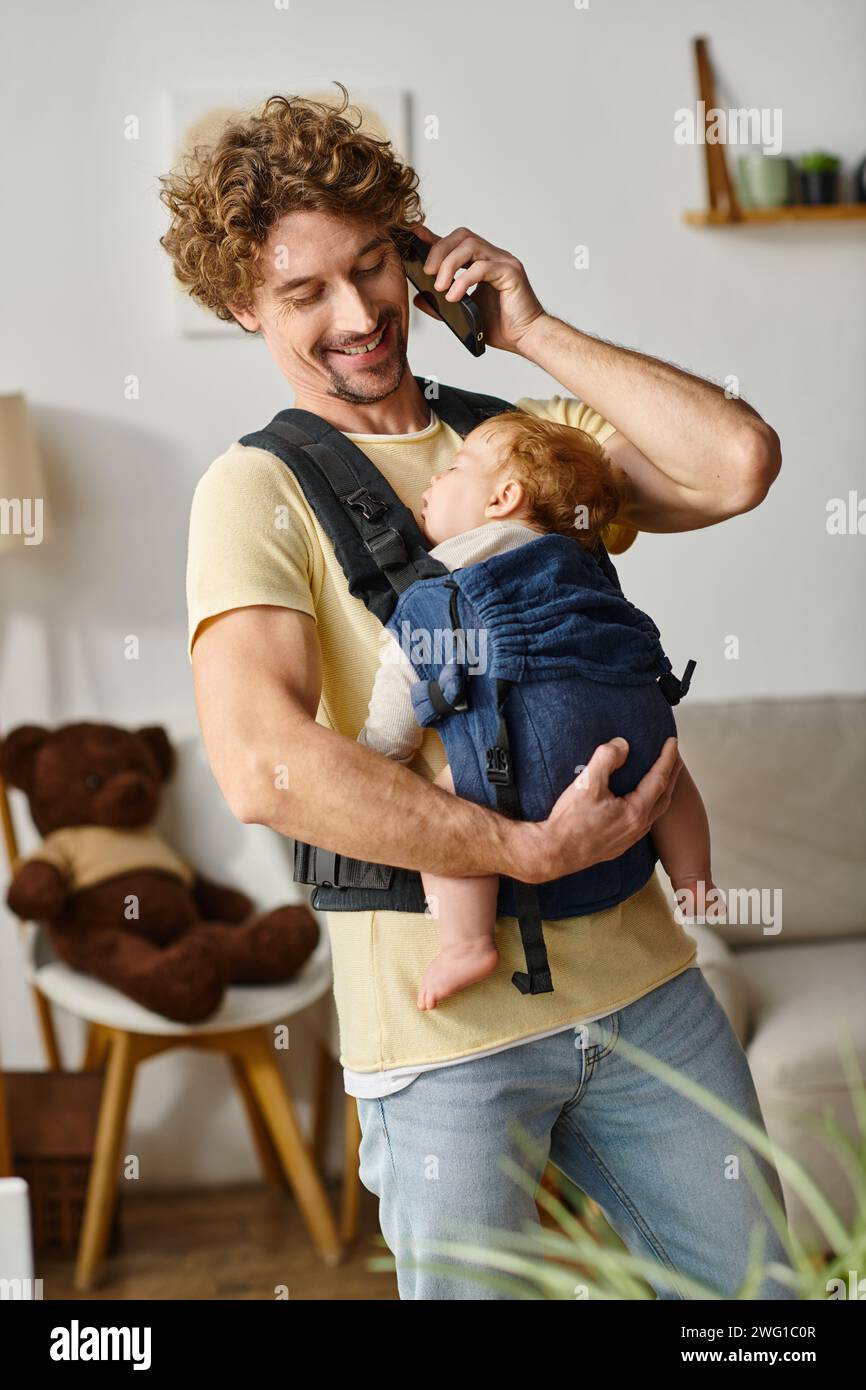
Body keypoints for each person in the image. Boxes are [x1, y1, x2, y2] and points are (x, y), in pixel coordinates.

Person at [163, 85, 793, 1299]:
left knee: (762, 1308)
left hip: (649, 994)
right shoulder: (251, 495)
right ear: (241, 303)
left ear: (409, 249)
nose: (358, 315)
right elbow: (261, 762)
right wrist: (521, 848)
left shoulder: (518, 441)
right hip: (442, 1044)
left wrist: (531, 329)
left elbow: (735, 465)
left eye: (372, 265)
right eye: (304, 292)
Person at [357, 409, 726, 1010]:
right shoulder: (583, 567)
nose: (432, 482)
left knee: (447, 810)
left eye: (452, 469)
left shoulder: (448, 578)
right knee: (670, 774)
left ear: (503, 498)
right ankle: (696, 883)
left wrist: (380, 750)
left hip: (528, 758)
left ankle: (467, 943)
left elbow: (402, 682)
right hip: (635, 738)